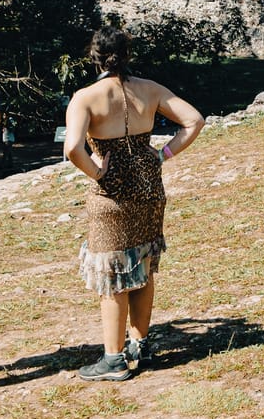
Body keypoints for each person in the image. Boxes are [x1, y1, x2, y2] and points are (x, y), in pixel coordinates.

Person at [64, 25, 203, 381]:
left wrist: (97, 172)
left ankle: (113, 359)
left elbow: (71, 148)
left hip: (111, 193)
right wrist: (163, 153)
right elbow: (194, 120)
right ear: (127, 55)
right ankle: (140, 345)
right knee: (143, 263)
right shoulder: (150, 89)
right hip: (148, 186)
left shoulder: (85, 97)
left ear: (94, 57)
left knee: (113, 272)